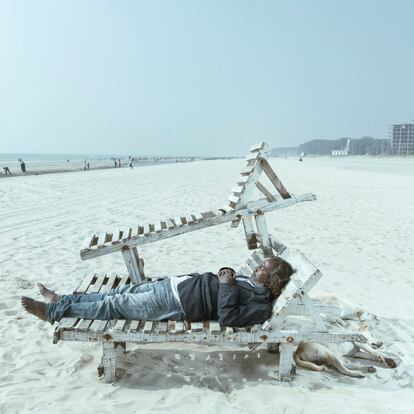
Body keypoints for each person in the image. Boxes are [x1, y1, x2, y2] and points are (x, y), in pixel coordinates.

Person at [21, 256, 294, 327]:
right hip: (175, 285)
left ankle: (52, 312)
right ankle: (61, 299)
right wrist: (227, 274)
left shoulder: (261, 306)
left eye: (263, 267)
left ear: (272, 280)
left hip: (178, 302)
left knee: (114, 305)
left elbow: (228, 317)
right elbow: (226, 283)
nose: (257, 266)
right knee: (113, 294)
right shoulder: (252, 283)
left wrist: (227, 284)